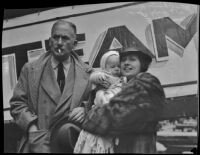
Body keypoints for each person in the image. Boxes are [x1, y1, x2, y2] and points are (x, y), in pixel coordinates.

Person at [9, 20, 93, 153]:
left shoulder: (88, 73)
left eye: (65, 38)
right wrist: (32, 129)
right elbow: (17, 103)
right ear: (49, 41)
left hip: (71, 144)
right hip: (36, 144)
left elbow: (97, 105)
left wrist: (85, 109)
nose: (59, 42)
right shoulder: (30, 70)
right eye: (55, 37)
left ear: (75, 44)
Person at [82, 46, 166, 153]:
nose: (126, 63)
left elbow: (111, 118)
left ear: (142, 63)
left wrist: (92, 113)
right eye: (123, 60)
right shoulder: (125, 84)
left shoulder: (146, 83)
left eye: (132, 59)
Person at [74, 50, 126, 153]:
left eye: (118, 66)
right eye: (112, 66)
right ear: (105, 68)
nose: (116, 68)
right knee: (93, 142)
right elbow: (93, 77)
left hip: (112, 114)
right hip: (98, 116)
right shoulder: (103, 77)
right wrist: (101, 77)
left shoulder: (122, 79)